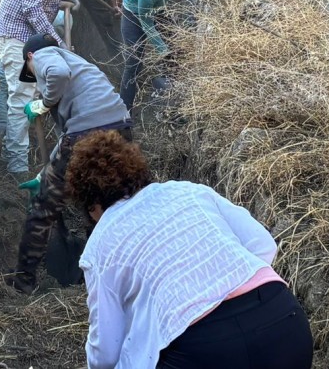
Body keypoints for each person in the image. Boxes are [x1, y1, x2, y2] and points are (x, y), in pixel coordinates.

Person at [67, 131, 313, 369]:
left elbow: (106, 352)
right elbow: (263, 244)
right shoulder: (188, 191)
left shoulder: (100, 245)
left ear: (91, 205)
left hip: (202, 351)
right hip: (285, 325)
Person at [6, 34, 133, 295]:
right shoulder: (80, 63)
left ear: (29, 57)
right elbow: (68, 139)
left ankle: (24, 281)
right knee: (106, 201)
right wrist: (45, 173)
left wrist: (45, 102)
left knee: (44, 207)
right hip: (120, 127)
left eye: (30, 70)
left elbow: (58, 73)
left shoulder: (43, 56)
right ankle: (107, 271)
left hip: (88, 134)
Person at [0, 0, 103, 177]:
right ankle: (16, 163)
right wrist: (59, 43)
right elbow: (31, 7)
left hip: (31, 30)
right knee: (22, 96)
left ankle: (3, 133)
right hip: (17, 32)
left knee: (10, 86)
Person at [119, 0, 185, 112]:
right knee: (134, 61)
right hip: (134, 13)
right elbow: (147, 24)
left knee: (175, 48)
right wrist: (162, 49)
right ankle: (124, 111)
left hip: (161, 9)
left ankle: (171, 96)